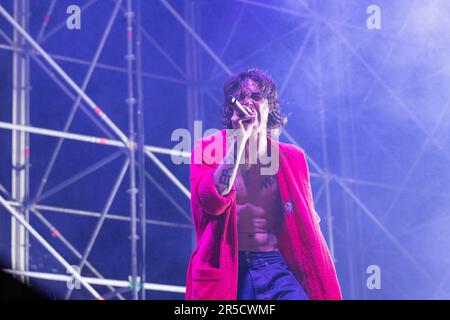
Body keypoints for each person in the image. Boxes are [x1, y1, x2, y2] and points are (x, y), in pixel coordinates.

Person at [185, 68, 342, 300]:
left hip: (274, 266)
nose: (247, 103)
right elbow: (211, 202)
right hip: (227, 268)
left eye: (256, 97)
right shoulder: (207, 149)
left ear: (270, 107)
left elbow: (305, 218)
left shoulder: (291, 158)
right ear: (232, 109)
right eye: (240, 98)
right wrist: (240, 139)